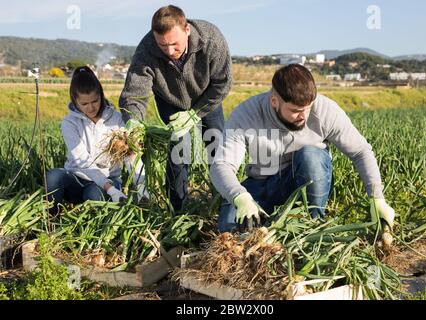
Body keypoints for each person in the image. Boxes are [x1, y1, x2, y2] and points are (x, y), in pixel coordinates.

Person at [210, 64, 395, 233]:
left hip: (303, 182)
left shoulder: (325, 110)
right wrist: (240, 197)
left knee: (311, 155)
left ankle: (313, 223)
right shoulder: (246, 114)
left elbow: (361, 151)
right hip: (262, 184)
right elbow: (222, 165)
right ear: (274, 101)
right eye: (295, 111)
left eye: (308, 108)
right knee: (230, 228)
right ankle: (266, 230)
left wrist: (377, 197)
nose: (303, 116)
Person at [119, 5, 232, 211]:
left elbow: (222, 84)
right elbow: (134, 93)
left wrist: (195, 113)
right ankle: (177, 208)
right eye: (163, 45)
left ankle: (223, 201)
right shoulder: (146, 50)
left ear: (187, 29)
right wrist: (133, 120)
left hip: (206, 97)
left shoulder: (211, 39)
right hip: (170, 100)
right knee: (179, 150)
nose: (170, 51)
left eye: (174, 44)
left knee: (216, 146)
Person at [46, 66, 148, 215]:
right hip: (77, 180)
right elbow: (82, 161)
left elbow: (129, 154)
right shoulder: (69, 123)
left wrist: (140, 185)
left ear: (101, 95)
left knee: (93, 195)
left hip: (107, 180)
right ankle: (51, 220)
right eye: (84, 104)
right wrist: (110, 189)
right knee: (53, 177)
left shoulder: (117, 119)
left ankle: (94, 216)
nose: (91, 108)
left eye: (95, 101)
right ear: (75, 101)